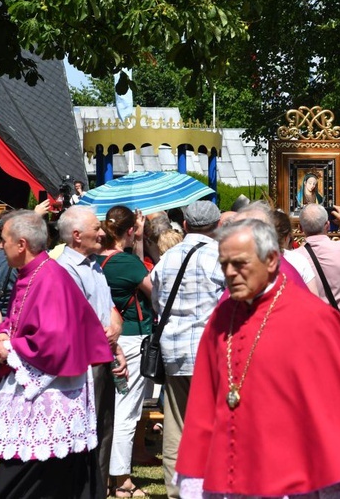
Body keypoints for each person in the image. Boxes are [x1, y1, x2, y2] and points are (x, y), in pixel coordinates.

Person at [174, 219, 340, 497]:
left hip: (296, 473)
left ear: (272, 259)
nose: (230, 273)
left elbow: (337, 415)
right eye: (224, 264)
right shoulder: (221, 318)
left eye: (239, 263)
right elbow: (204, 403)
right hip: (232, 470)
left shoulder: (315, 320)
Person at [0, 210, 114, 498]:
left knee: (24, 477)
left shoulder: (51, 278)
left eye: (4, 241)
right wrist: (4, 334)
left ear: (21, 244)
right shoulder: (31, 273)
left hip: (51, 392)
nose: (1, 246)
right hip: (39, 385)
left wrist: (11, 348)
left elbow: (55, 341)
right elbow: (21, 318)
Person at [150, 200, 226, 499]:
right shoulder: (220, 257)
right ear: (218, 225)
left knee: (176, 426)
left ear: (184, 225)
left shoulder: (166, 259)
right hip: (210, 352)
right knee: (216, 424)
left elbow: (157, 303)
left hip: (173, 350)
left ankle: (177, 491)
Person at [56, 205, 128, 495]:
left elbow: (107, 308)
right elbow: (72, 318)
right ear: (76, 236)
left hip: (103, 356)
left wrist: (117, 335)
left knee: (104, 430)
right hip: (83, 363)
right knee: (85, 432)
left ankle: (97, 490)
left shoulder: (94, 265)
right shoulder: (64, 270)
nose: (102, 233)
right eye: (95, 229)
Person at [95, 205, 154, 498]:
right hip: (132, 339)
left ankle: (104, 475)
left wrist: (137, 237)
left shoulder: (95, 260)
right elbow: (155, 293)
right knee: (126, 413)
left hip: (103, 339)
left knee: (105, 410)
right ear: (130, 230)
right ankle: (122, 480)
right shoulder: (129, 264)